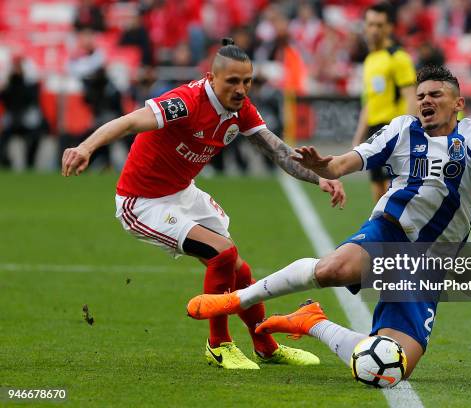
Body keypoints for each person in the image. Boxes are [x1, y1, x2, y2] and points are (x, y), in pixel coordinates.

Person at [187, 65, 471, 378]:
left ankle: (311, 321)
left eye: (436, 95)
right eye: (421, 96)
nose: (426, 101)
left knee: (389, 369)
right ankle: (237, 299)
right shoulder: (402, 129)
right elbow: (344, 163)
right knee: (334, 270)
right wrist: (323, 166)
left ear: (458, 103)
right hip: (391, 232)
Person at [61, 39, 346, 370]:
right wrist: (86, 147)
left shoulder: (241, 109)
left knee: (240, 270)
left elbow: (279, 151)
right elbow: (128, 122)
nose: (241, 89)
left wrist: (320, 177)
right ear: (212, 78)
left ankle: (265, 346)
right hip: (143, 202)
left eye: (247, 81)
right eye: (233, 81)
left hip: (183, 193)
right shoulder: (185, 103)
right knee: (222, 254)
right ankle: (218, 344)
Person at [351, 2, 417, 202]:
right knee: (378, 192)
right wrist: (358, 139)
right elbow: (370, 102)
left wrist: (405, 133)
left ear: (390, 27)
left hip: (393, 130)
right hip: (375, 131)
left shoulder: (398, 58)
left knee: (394, 194)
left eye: (379, 25)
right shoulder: (371, 59)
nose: (374, 30)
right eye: (371, 24)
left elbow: (411, 97)